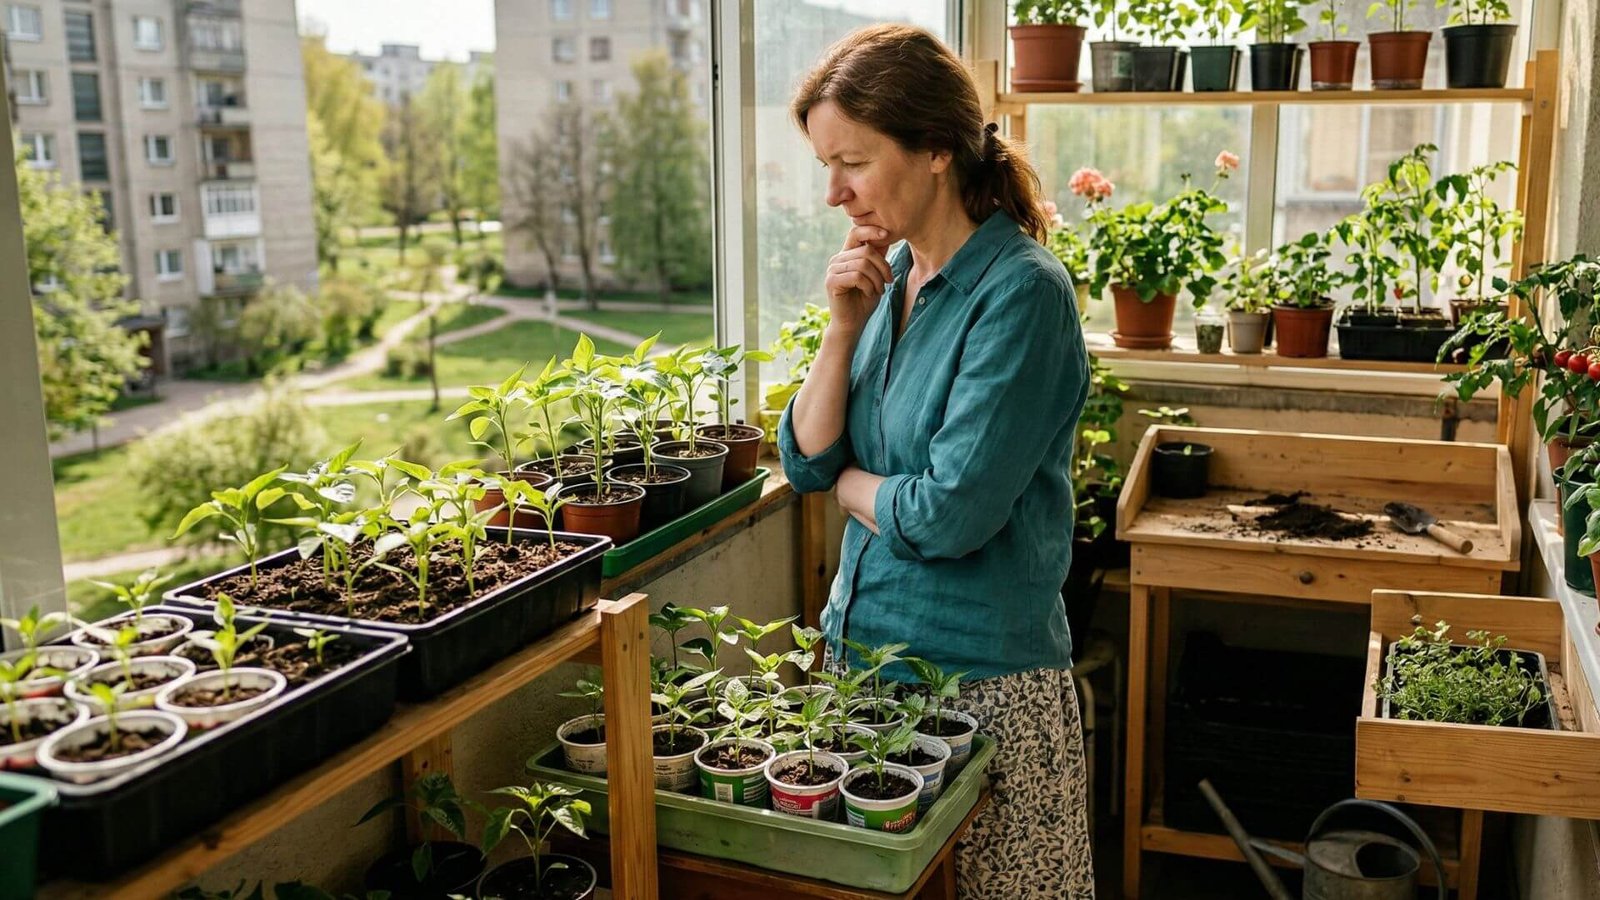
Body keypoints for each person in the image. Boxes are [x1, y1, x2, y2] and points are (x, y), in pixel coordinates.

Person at [778, 23, 1094, 900]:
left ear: (936, 151)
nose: (835, 193)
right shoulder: (889, 278)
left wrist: (851, 485)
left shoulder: (1022, 293)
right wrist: (842, 331)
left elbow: (948, 515)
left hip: (982, 695)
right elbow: (805, 460)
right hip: (862, 672)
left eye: (854, 162)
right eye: (826, 167)